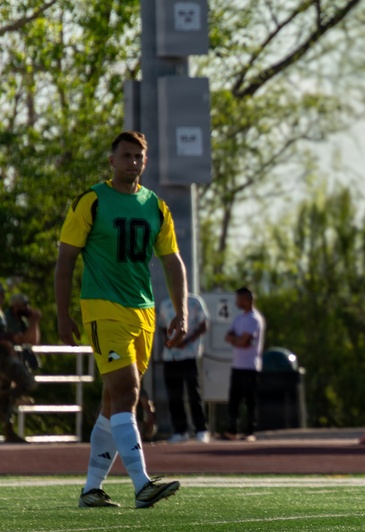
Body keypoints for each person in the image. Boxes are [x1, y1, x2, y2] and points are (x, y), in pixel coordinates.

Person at [55, 130, 186, 509]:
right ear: (112, 160)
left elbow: (172, 261)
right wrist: (63, 314)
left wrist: (182, 311)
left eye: (138, 157)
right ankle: (142, 484)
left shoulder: (155, 205)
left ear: (145, 162)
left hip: (142, 311)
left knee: (112, 404)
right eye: (125, 155)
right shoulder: (92, 201)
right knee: (128, 393)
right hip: (103, 307)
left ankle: (91, 489)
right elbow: (65, 261)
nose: (132, 162)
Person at [159, 293, 210, 443]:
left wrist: (187, 341)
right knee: (174, 395)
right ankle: (180, 431)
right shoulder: (165, 302)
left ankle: (201, 429)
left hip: (189, 354)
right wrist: (168, 340)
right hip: (170, 356)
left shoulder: (194, 302)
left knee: (194, 392)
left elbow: (203, 325)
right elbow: (162, 326)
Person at [223, 286, 265, 442]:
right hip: (237, 365)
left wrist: (237, 340)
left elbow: (244, 341)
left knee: (250, 401)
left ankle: (250, 432)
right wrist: (237, 340)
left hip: (250, 366)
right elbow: (228, 336)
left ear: (247, 300)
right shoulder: (239, 318)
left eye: (239, 299)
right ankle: (231, 430)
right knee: (234, 400)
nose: (237, 302)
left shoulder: (254, 319)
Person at [0, 340, 36, 443]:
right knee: (28, 382)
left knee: (6, 388)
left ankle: (9, 432)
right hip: (5, 357)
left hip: (6, 355)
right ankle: (8, 396)